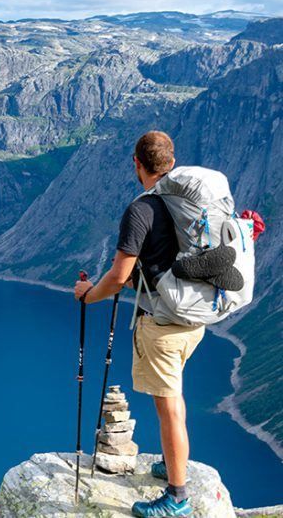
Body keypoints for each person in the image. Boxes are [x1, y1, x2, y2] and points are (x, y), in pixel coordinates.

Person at [75, 131, 204, 517]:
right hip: (193, 318)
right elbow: (161, 266)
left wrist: (88, 294)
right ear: (171, 161)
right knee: (175, 397)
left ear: (137, 163)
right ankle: (171, 461)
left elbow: (119, 276)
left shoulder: (142, 210)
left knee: (168, 408)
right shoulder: (187, 201)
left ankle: (177, 496)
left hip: (163, 325)